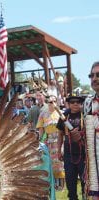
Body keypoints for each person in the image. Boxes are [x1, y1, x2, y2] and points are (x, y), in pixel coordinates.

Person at [57, 95, 85, 200]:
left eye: (78, 102)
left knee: (84, 181)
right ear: (69, 104)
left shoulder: (85, 115)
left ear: (81, 103)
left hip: (83, 154)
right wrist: (59, 151)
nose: (75, 104)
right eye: (72, 102)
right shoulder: (64, 116)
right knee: (70, 181)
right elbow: (60, 134)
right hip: (69, 154)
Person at [36, 95, 65, 190]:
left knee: (60, 163)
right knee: (49, 162)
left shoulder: (61, 113)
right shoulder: (43, 114)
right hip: (48, 141)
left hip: (60, 140)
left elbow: (65, 128)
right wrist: (40, 141)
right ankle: (51, 184)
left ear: (56, 102)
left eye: (53, 101)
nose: (51, 103)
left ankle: (60, 185)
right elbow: (41, 129)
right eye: (49, 101)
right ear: (47, 102)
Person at [83, 61, 99, 199]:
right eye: (91, 75)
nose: (94, 78)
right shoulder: (88, 102)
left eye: (98, 75)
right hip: (95, 162)